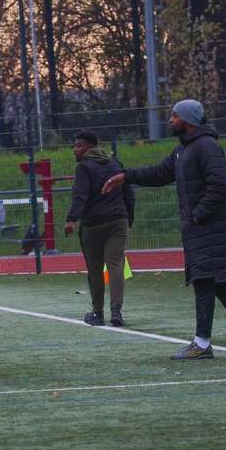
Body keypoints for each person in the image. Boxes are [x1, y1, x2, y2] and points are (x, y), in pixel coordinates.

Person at [102, 99, 226, 359]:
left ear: (188, 120)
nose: (171, 120)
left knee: (204, 280)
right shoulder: (184, 149)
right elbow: (159, 173)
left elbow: (219, 186)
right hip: (201, 228)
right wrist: (127, 176)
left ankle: (201, 344)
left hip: (209, 227)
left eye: (175, 116)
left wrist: (197, 216)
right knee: (218, 281)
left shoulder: (207, 146)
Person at [64, 131, 134, 326]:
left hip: (93, 224)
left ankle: (97, 313)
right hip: (118, 220)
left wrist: (71, 219)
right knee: (115, 265)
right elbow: (128, 191)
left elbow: (81, 195)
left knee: (95, 270)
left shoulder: (84, 167)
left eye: (78, 146)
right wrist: (129, 218)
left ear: (89, 147)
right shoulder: (115, 163)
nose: (74, 150)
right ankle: (117, 312)